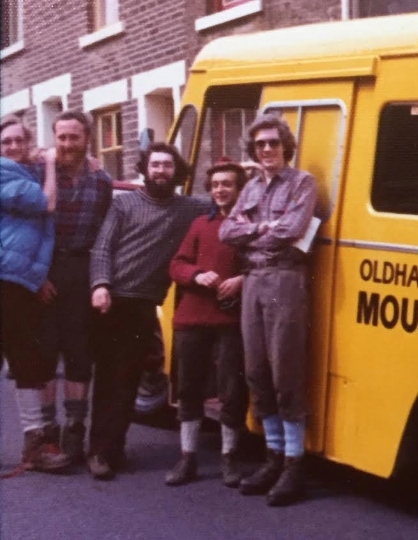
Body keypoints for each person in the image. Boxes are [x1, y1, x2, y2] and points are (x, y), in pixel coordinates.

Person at [87, 142, 207, 480]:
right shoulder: (124, 204)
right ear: (145, 168)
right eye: (155, 165)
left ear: (177, 171)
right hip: (112, 298)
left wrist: (247, 179)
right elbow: (102, 247)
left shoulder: (188, 208)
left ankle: (112, 448)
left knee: (127, 380)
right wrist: (100, 285)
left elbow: (222, 203)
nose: (160, 171)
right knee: (110, 379)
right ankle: (99, 452)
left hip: (144, 305)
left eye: (167, 166)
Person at [220, 113, 318, 506]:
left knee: (285, 369)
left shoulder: (302, 182)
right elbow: (228, 231)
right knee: (257, 370)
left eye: (273, 144)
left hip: (284, 280)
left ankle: (295, 466)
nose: (266, 150)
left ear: (285, 147)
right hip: (254, 280)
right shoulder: (250, 187)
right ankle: (272, 457)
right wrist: (261, 228)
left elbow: (292, 229)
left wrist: (254, 229)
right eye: (259, 145)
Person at [165, 159, 248, 488]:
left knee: (232, 388)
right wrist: (198, 275)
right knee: (189, 388)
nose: (220, 190)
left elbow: (262, 263)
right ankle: (188, 457)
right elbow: (177, 265)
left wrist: (242, 279)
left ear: (240, 189)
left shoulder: (249, 226)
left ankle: (229, 457)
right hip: (194, 317)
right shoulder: (201, 224)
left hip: (230, 318)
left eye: (227, 184)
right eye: (215, 185)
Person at [37, 111, 114, 465]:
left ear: (87, 139)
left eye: (74, 138)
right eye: (61, 137)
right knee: (45, 354)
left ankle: (74, 430)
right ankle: (47, 434)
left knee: (79, 354)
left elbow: (104, 234)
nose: (67, 144)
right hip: (45, 267)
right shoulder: (39, 174)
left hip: (82, 267)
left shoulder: (101, 181)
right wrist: (38, 276)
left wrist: (99, 279)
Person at [0, 118, 70, 473]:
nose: (11, 147)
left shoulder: (26, 170)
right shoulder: (3, 173)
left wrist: (35, 277)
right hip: (4, 280)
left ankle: (34, 443)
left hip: (18, 282)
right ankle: (35, 442)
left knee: (25, 361)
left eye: (18, 140)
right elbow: (46, 204)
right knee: (22, 360)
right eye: (5, 142)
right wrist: (53, 163)